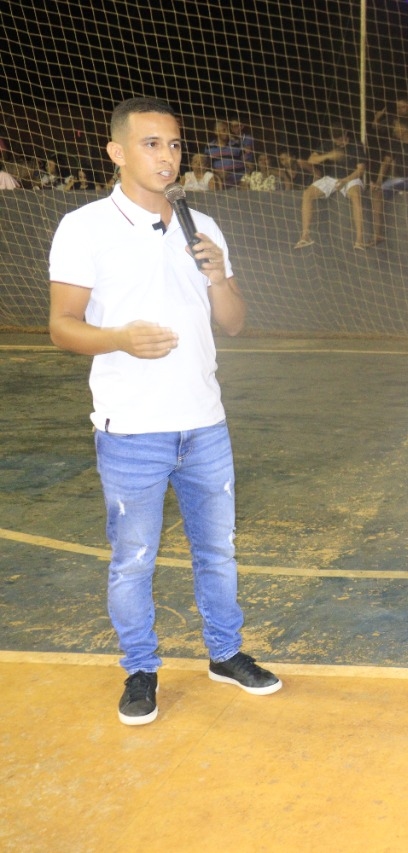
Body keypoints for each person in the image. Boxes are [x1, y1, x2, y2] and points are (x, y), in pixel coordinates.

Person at [46, 96, 281, 726]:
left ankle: (225, 654)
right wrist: (121, 338)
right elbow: (62, 327)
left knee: (218, 551)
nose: (167, 156)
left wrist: (221, 275)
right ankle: (140, 669)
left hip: (204, 422)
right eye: (151, 144)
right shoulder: (84, 226)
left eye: (175, 144)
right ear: (117, 152)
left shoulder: (200, 228)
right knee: (133, 559)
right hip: (131, 429)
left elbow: (233, 324)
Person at [293, 123, 368, 250]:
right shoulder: (329, 145)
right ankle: (305, 236)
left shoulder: (356, 145)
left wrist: (345, 180)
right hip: (332, 178)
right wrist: (328, 155)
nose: (338, 142)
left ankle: (359, 240)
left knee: (356, 195)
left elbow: (360, 170)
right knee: (307, 194)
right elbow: (311, 159)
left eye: (340, 139)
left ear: (345, 134)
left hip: (350, 177)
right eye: (336, 139)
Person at [370, 117, 408, 246]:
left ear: (405, 128)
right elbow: (386, 162)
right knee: (377, 192)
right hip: (399, 179)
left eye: (397, 126)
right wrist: (378, 180)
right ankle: (377, 234)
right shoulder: (395, 143)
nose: (395, 129)